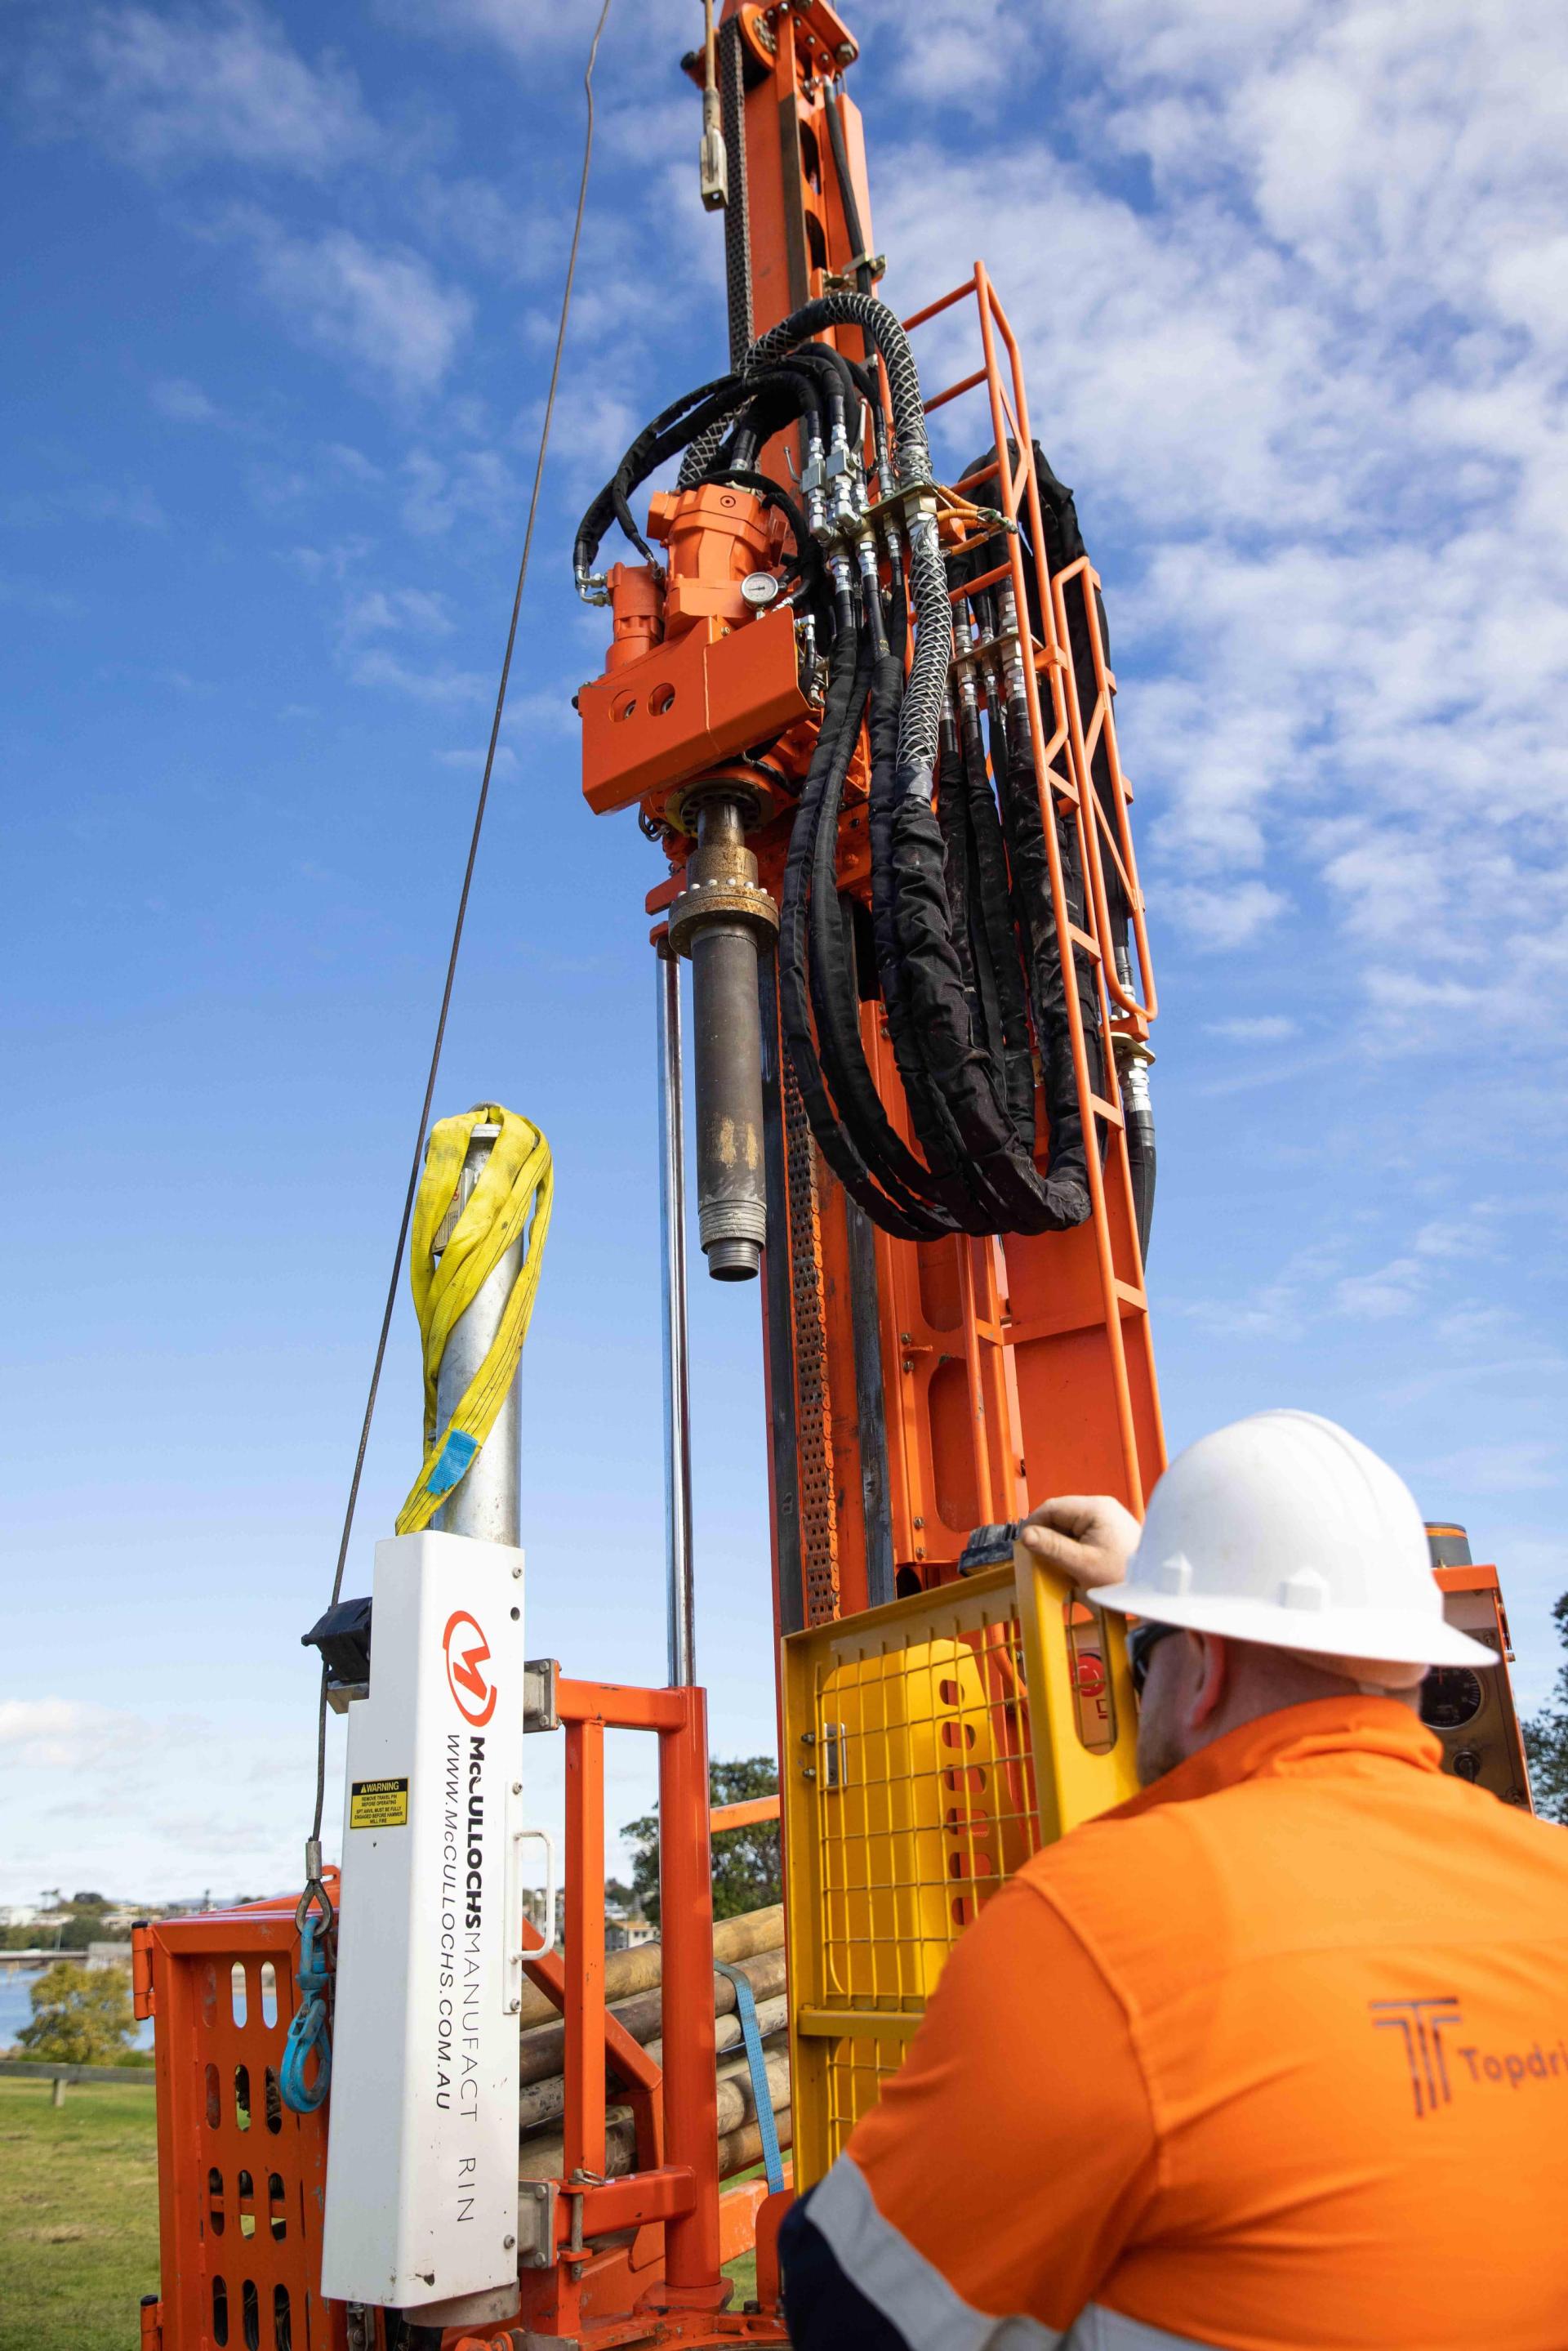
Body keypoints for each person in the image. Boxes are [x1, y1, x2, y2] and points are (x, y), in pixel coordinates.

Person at [779, 1410, 1568, 2350]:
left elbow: (853, 2312)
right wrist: (1163, 1603)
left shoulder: (1097, 1928)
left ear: (1204, 1667)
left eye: (1142, 1656)